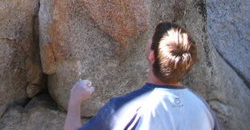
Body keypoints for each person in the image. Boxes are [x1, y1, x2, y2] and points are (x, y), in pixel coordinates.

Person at [64, 22, 221, 130]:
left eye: (151, 39)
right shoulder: (202, 108)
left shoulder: (124, 109)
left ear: (152, 56)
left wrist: (75, 101)